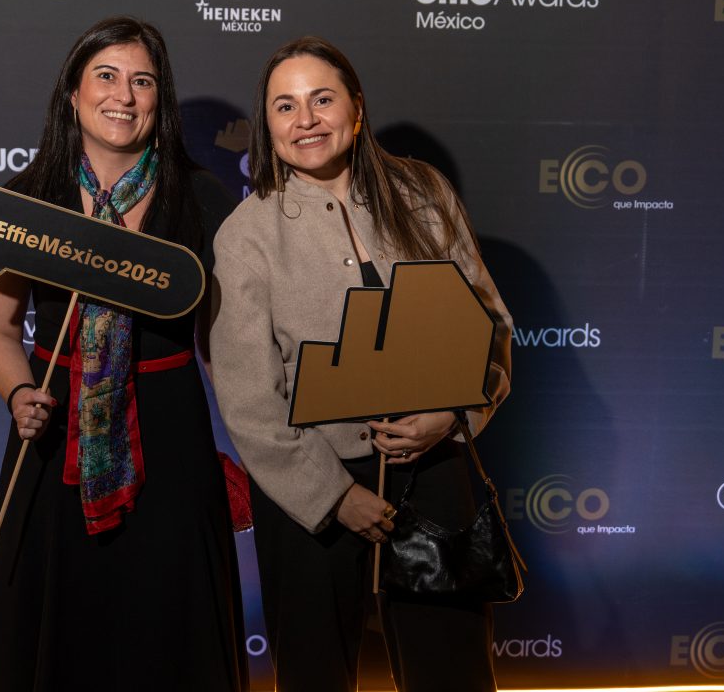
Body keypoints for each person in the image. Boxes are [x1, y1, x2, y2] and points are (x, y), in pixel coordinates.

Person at [210, 36, 512, 692]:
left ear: (356, 107)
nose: (305, 120)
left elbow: (487, 327)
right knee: (314, 674)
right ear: (268, 124)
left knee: (452, 670)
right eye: (285, 106)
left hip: (433, 470)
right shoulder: (246, 233)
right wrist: (333, 497)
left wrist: (453, 414)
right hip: (312, 488)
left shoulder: (423, 192)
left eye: (322, 99)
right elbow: (248, 397)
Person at [0, 16, 248, 692]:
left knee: (168, 622)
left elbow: (224, 343)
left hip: (170, 437)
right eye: (106, 76)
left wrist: (265, 445)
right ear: (73, 93)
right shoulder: (30, 199)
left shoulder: (202, 197)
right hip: (53, 433)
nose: (123, 95)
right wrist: (18, 393)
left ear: (160, 98)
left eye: (142, 81)